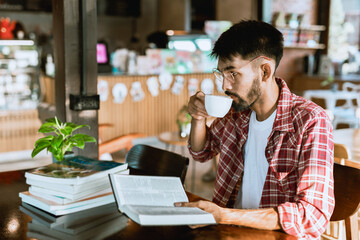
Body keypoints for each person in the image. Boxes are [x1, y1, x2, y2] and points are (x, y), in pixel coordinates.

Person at [177, 20, 334, 239]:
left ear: (264, 71)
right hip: (229, 232)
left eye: (233, 74)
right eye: (221, 74)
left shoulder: (310, 120)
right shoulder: (236, 113)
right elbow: (201, 152)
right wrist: (197, 117)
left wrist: (225, 216)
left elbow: (311, 216)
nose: (224, 86)